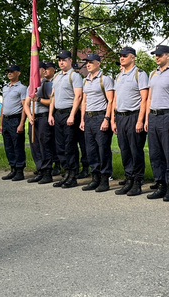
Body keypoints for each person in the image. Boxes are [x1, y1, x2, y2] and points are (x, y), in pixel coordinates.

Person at [144, 45, 169, 201]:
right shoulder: (152, 74)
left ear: (168, 56)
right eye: (155, 55)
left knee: (168, 153)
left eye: (160, 55)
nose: (157, 57)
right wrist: (147, 118)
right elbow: (149, 98)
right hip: (153, 116)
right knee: (155, 154)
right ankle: (160, 184)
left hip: (167, 115)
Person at [111, 47, 150, 196]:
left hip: (133, 116)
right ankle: (129, 179)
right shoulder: (119, 75)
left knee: (135, 150)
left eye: (125, 56)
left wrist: (140, 120)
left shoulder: (139, 74)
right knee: (125, 149)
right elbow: (115, 98)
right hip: (120, 116)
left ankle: (137, 182)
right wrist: (114, 119)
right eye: (120, 56)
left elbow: (144, 99)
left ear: (132, 57)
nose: (122, 58)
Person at [80, 53, 115, 192]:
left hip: (100, 116)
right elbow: (84, 101)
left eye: (91, 62)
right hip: (88, 118)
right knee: (91, 149)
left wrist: (107, 119)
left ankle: (105, 179)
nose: (88, 64)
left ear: (98, 63)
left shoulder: (105, 79)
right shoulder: (85, 80)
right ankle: (95, 177)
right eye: (87, 62)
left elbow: (111, 100)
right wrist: (83, 119)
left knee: (103, 149)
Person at [49, 51, 84, 188]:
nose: (61, 62)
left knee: (70, 145)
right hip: (58, 114)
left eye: (64, 60)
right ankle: (66, 173)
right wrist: (51, 114)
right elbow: (53, 96)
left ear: (70, 60)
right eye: (59, 60)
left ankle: (73, 175)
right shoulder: (57, 76)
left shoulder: (74, 76)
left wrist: (72, 115)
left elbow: (78, 97)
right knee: (60, 146)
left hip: (70, 113)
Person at [27, 61, 56, 184]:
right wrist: (29, 116)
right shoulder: (31, 86)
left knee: (45, 144)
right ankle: (39, 169)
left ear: (43, 71)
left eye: (37, 68)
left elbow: (51, 101)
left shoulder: (47, 84)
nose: (34, 71)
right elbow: (26, 104)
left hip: (44, 117)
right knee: (34, 145)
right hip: (34, 118)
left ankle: (47, 171)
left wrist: (38, 99)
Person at [0, 64, 27, 182]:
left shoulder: (21, 88)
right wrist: (1, 123)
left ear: (18, 73)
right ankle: (13, 168)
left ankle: (20, 170)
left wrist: (21, 123)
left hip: (16, 119)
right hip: (6, 119)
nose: (9, 73)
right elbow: (3, 106)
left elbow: (24, 106)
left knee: (18, 145)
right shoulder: (5, 87)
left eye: (12, 71)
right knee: (8, 146)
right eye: (8, 71)